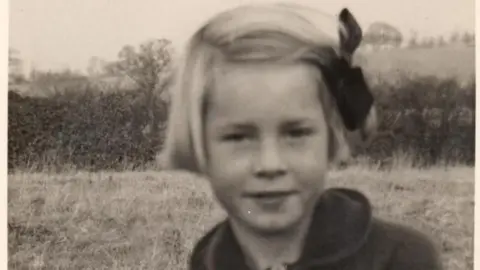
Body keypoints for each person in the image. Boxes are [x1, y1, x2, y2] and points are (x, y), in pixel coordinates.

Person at [163, 3, 443, 270]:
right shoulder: (209, 258)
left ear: (332, 137)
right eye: (239, 137)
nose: (270, 164)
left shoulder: (401, 258)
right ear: (199, 142)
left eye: (296, 133)